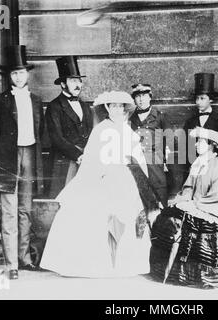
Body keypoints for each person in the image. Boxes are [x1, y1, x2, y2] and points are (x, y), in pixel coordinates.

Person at [40, 91, 159, 277]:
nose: (117, 110)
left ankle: (126, 262)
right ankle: (102, 263)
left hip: (126, 179)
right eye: (113, 106)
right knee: (101, 216)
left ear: (124, 109)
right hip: (104, 179)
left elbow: (138, 158)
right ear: (107, 109)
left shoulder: (128, 130)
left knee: (129, 218)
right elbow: (91, 159)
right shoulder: (101, 130)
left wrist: (138, 176)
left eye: (120, 107)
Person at [150, 127, 218, 288]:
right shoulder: (198, 164)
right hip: (200, 204)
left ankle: (210, 275)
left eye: (202, 142)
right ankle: (172, 270)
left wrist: (197, 204)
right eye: (197, 141)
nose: (197, 144)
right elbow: (188, 188)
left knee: (204, 227)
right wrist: (184, 201)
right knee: (169, 216)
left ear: (212, 145)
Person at [0, 45, 45, 280]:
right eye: (14, 73)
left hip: (30, 154)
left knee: (25, 209)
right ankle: (12, 265)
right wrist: (2, 156)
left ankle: (25, 258)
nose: (19, 76)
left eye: (22, 72)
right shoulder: (0, 101)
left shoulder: (36, 100)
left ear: (27, 74)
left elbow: (38, 131)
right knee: (9, 210)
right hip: (7, 158)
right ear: (9, 76)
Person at [45, 56, 94, 198]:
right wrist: (78, 155)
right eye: (73, 81)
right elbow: (56, 138)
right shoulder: (54, 106)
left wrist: (88, 155)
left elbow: (90, 132)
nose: (78, 84)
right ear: (63, 84)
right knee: (65, 200)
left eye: (79, 80)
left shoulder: (85, 106)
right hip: (65, 162)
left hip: (85, 162)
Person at [129, 83, 172, 208]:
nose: (141, 99)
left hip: (155, 162)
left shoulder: (159, 117)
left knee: (160, 192)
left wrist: (166, 162)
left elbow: (169, 141)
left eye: (144, 96)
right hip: (137, 162)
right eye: (138, 96)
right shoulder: (131, 118)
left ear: (150, 97)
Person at [184, 73, 218, 151]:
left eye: (202, 98)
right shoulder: (190, 122)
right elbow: (184, 147)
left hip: (214, 161)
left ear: (211, 99)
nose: (198, 102)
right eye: (197, 98)